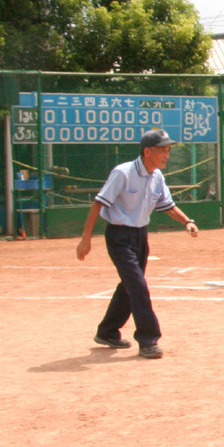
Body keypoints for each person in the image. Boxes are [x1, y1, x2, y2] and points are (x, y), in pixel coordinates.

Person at [76, 129, 199, 360]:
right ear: (147, 151)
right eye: (163, 150)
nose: (167, 154)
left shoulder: (157, 177)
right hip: (119, 237)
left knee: (130, 285)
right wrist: (86, 238)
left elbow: (167, 206)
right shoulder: (123, 173)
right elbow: (97, 205)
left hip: (140, 236)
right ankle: (148, 339)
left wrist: (187, 221)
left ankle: (107, 332)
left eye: (168, 150)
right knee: (138, 286)